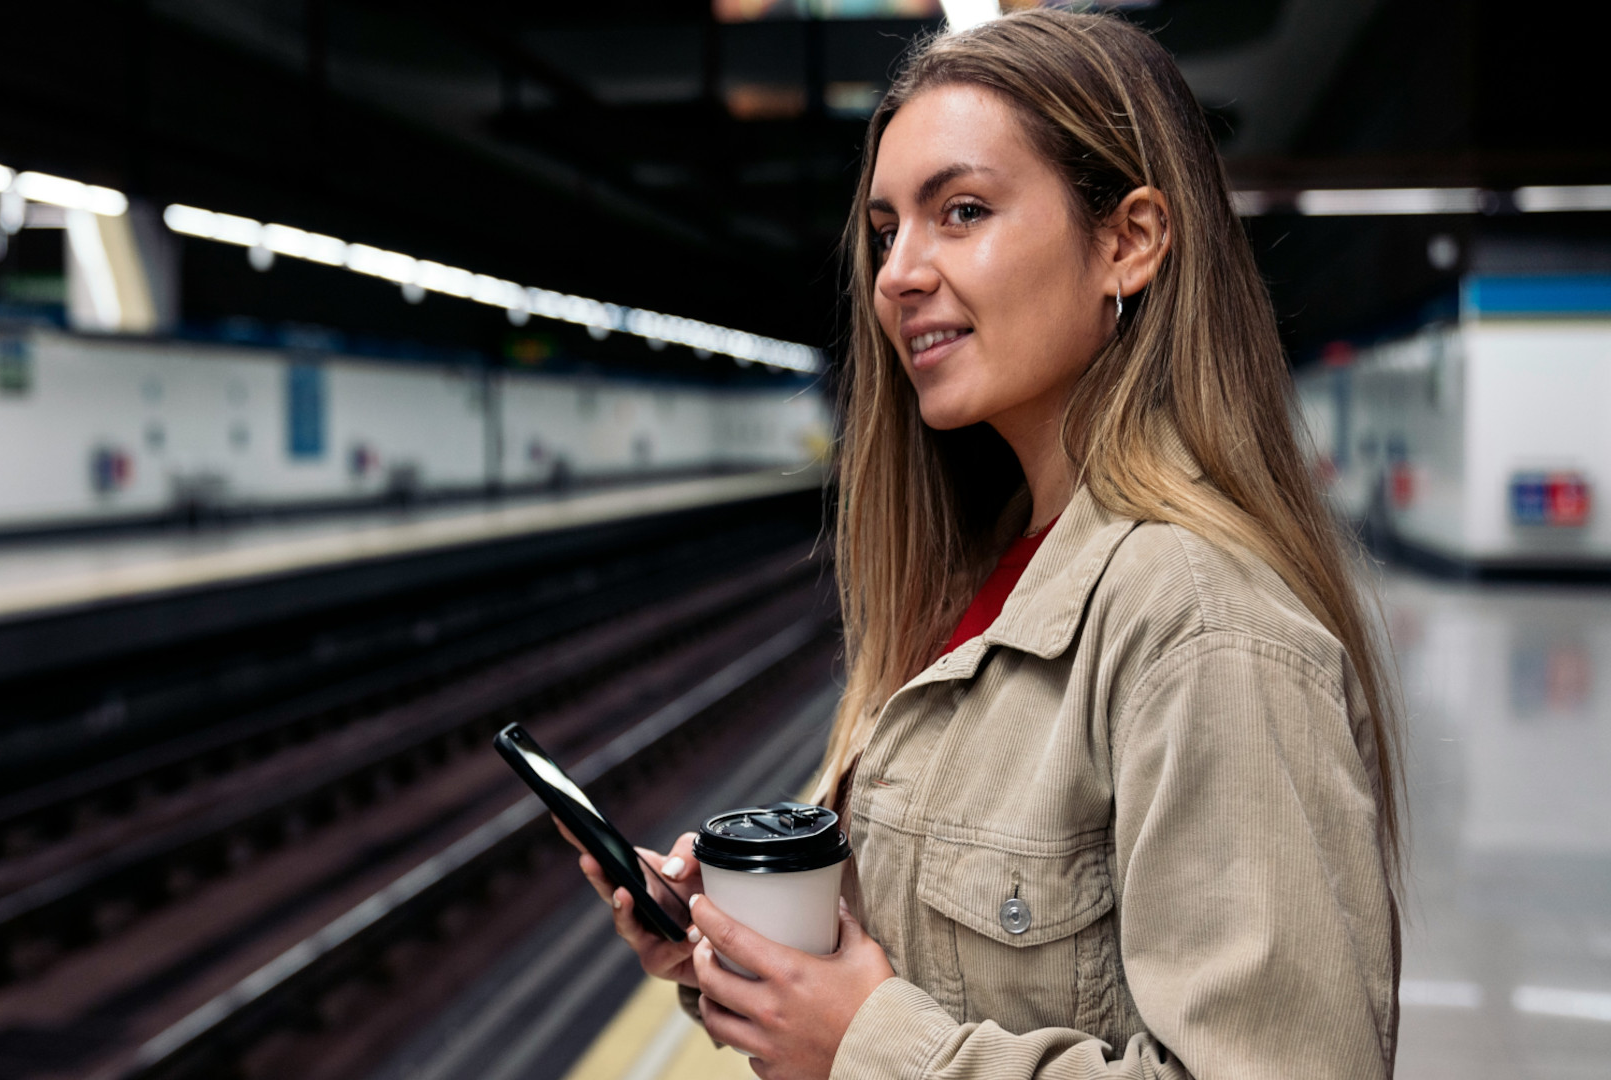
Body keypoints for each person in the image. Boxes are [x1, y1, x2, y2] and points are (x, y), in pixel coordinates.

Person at [564, 10, 1402, 1078]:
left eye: (961, 211)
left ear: (1129, 242)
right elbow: (940, 970)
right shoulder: (989, 570)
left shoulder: (1200, 622)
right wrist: (750, 950)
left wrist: (869, 1046)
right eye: (886, 231)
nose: (897, 274)